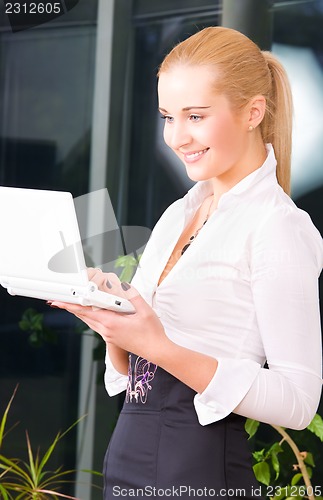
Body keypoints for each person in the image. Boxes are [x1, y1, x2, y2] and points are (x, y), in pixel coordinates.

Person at [50, 27, 323, 499]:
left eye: (195, 116)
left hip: (198, 471)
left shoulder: (278, 226)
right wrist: (113, 324)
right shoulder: (179, 213)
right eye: (167, 116)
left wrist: (155, 345)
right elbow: (137, 364)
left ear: (253, 112)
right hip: (130, 455)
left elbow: (298, 402)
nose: (177, 136)